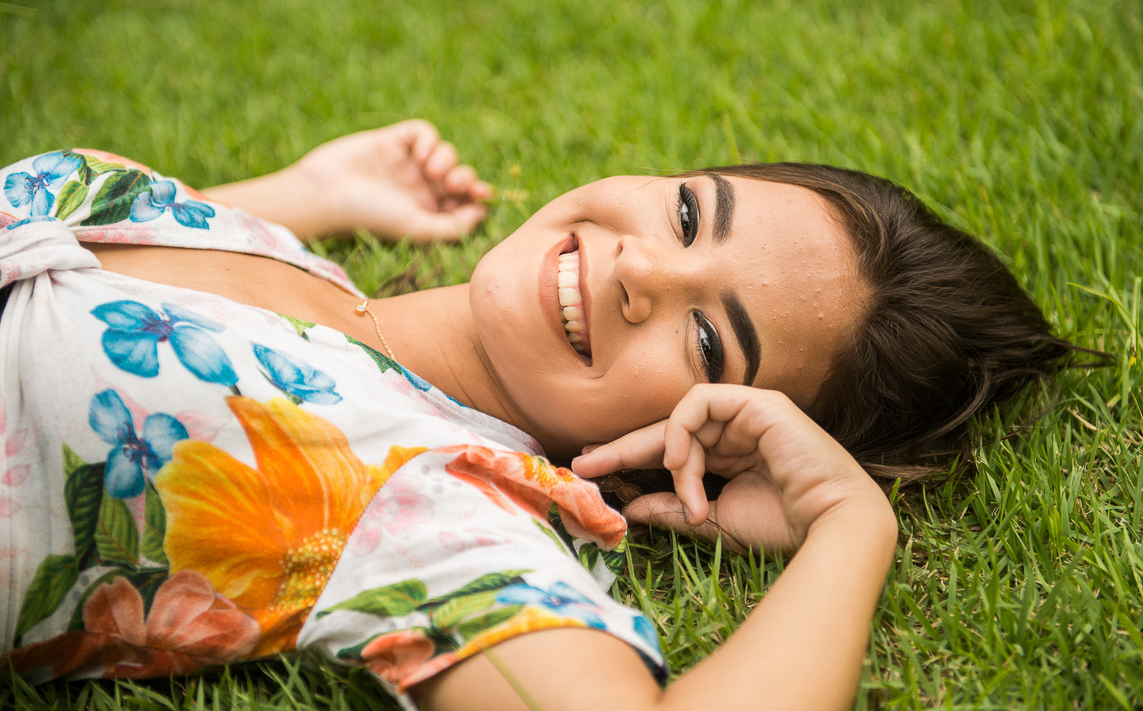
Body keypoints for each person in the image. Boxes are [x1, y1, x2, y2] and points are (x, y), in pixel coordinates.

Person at [0, 120, 1073, 711]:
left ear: (703, 440)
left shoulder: (441, 501)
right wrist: (312, 188)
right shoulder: (282, 254)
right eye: (692, 213)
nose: (641, 270)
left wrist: (849, 522)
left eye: (708, 341)